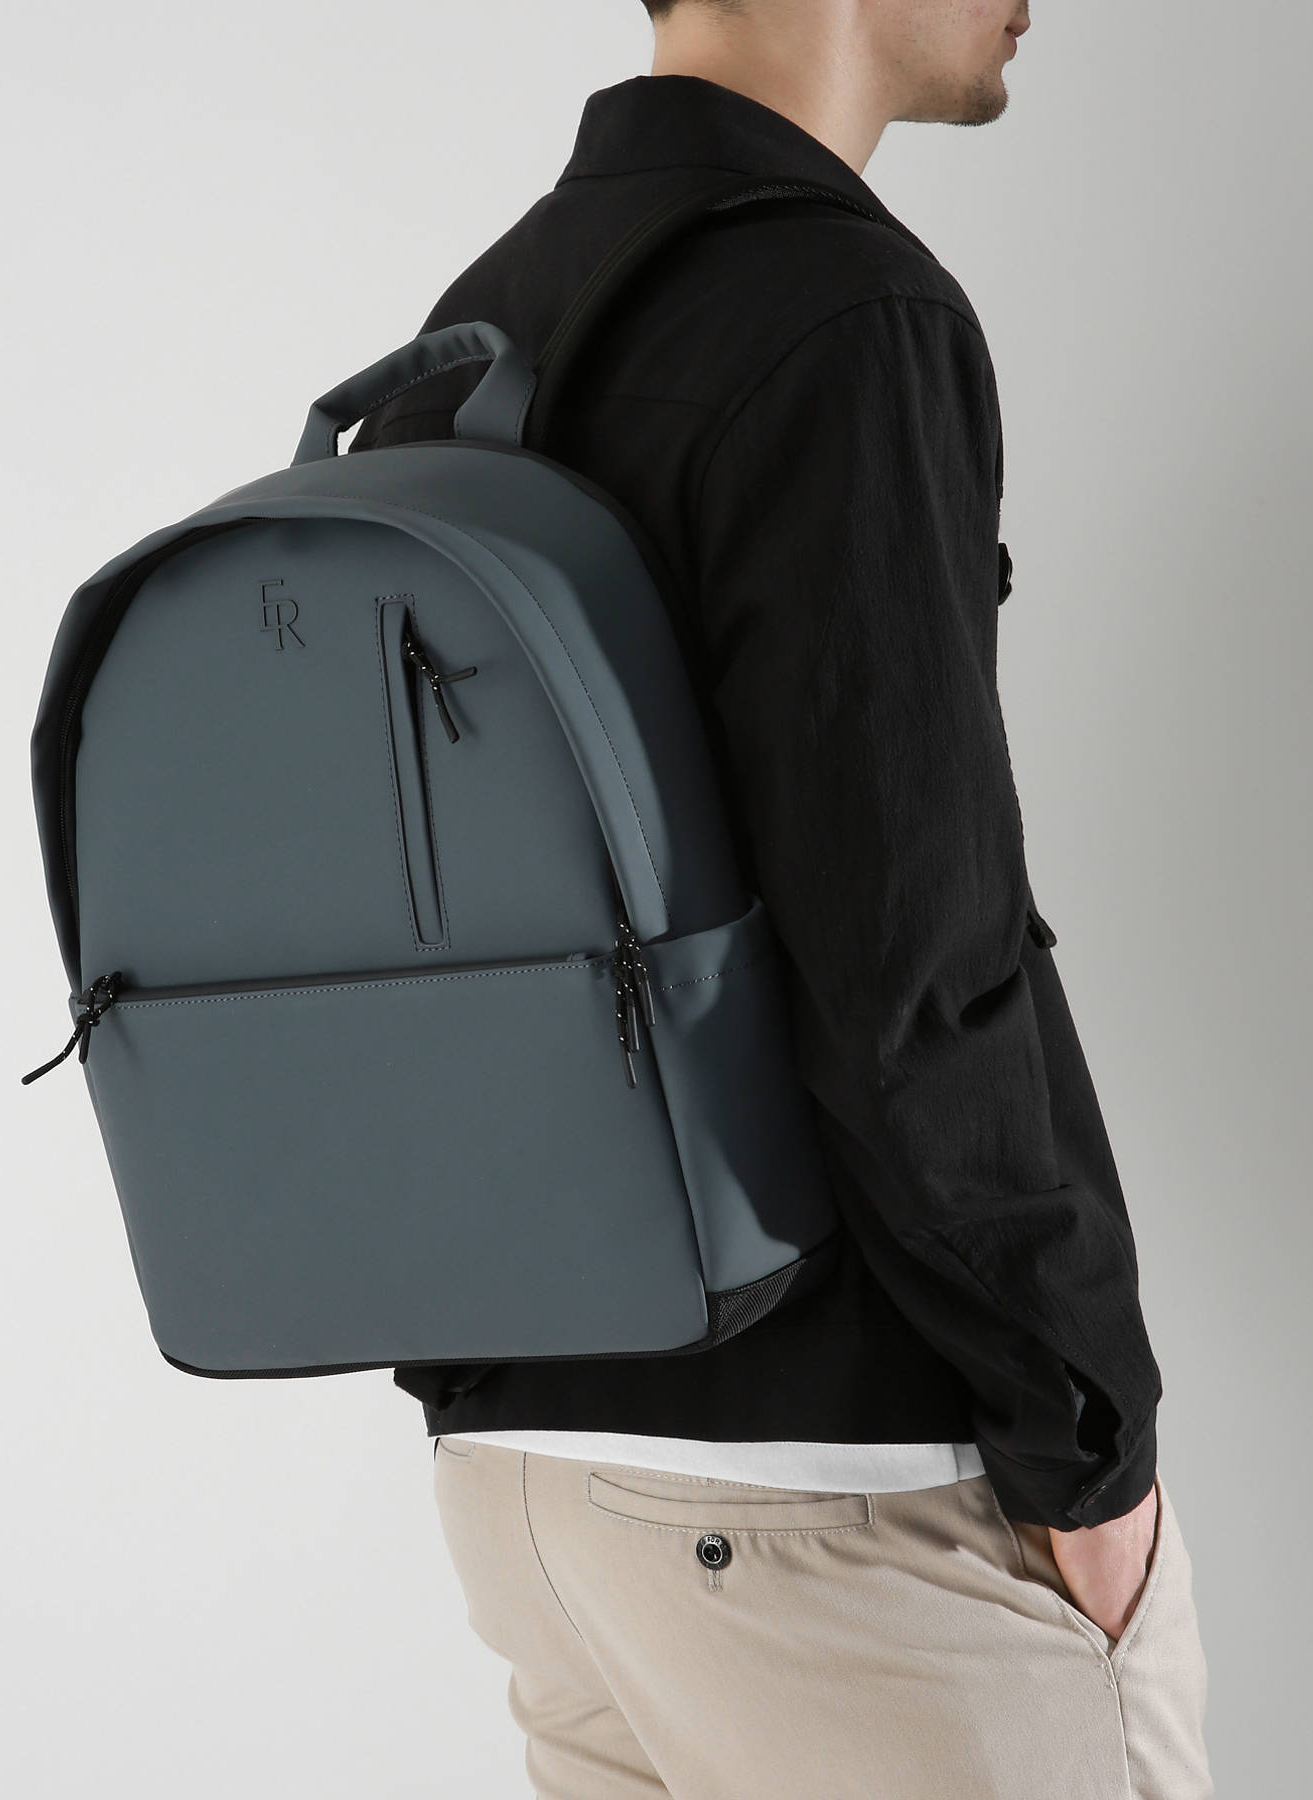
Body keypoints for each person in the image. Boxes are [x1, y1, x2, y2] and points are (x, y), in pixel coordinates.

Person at [350, 2, 1213, 1793]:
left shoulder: (471, 331)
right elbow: (908, 952)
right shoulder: (841, 307)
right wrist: (1088, 1450)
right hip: (850, 1497)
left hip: (534, 1479)